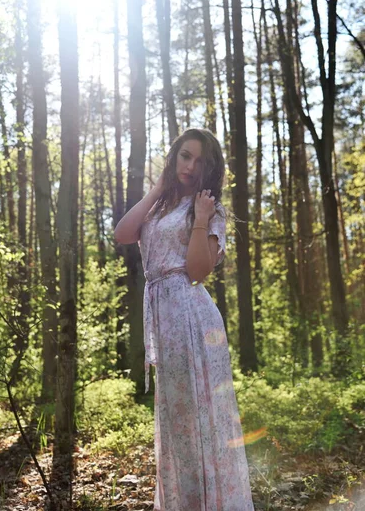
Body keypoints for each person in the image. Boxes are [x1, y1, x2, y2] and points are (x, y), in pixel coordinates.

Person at [115, 128, 255, 510]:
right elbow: (123, 233)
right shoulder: (160, 206)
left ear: (210, 170)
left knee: (199, 420)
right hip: (164, 316)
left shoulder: (211, 211)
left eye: (199, 161)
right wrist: (158, 188)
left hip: (192, 319)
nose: (190, 166)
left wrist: (201, 217)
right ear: (174, 155)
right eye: (185, 156)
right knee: (177, 423)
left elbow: (196, 271)